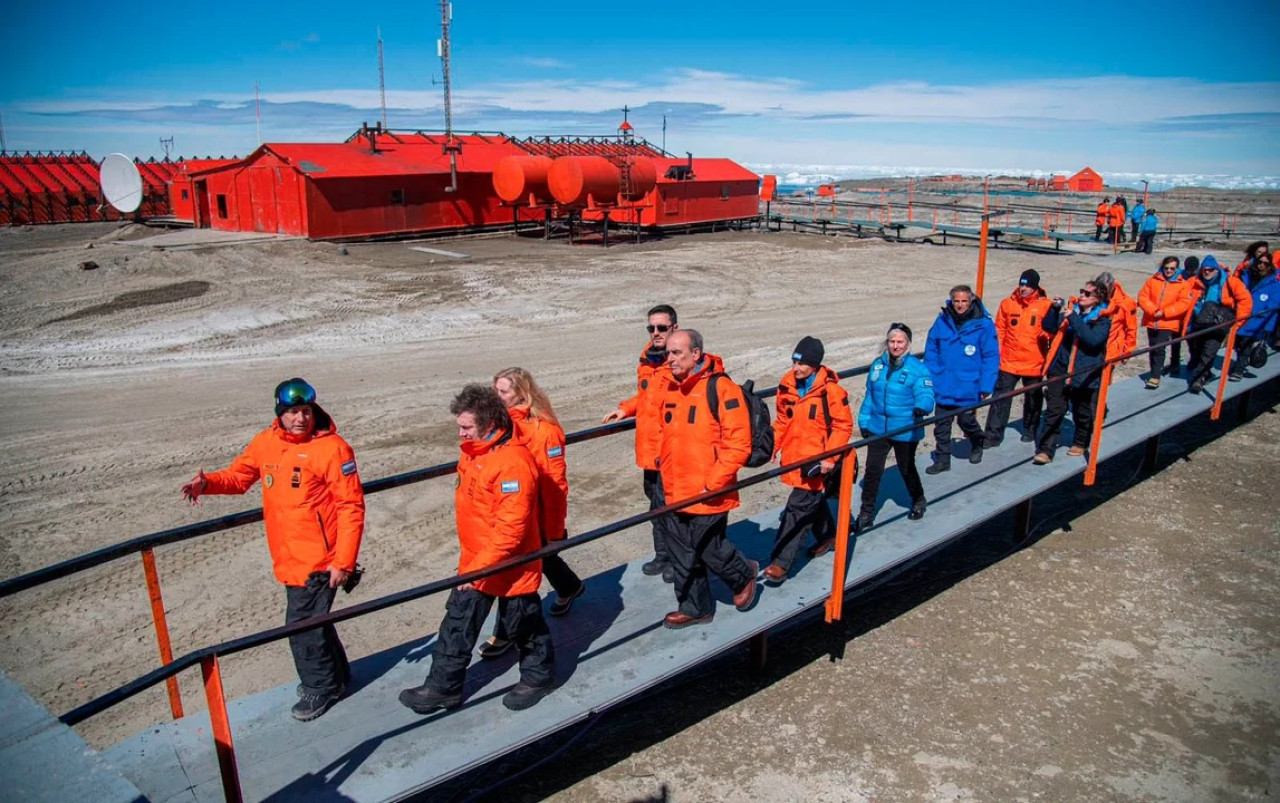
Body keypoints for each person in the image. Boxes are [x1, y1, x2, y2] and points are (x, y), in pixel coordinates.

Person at [180, 378, 365, 721]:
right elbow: (239, 477)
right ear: (279, 414)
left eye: (306, 411)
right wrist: (207, 484)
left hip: (319, 562)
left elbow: (351, 507)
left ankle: (319, 688)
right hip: (287, 557)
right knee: (313, 622)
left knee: (301, 626)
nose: (300, 419)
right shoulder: (266, 443)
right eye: (293, 412)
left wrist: (344, 562)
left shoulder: (333, 449)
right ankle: (336, 678)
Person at [399, 385, 555, 714]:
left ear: (489, 424)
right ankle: (442, 688)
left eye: (466, 426)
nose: (460, 432)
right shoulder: (474, 452)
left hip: (512, 565)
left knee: (522, 625)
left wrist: (478, 567)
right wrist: (474, 564)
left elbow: (511, 528)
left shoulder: (512, 463)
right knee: (457, 623)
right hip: (476, 560)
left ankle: (538, 677)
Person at [477, 367, 584, 661]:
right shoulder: (500, 427)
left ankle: (506, 633)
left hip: (533, 515)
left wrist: (554, 528)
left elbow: (555, 485)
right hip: (511, 511)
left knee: (513, 572)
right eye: (495, 391)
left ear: (522, 394)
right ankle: (570, 586)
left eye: (503, 392)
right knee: (540, 559)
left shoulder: (543, 431)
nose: (496, 397)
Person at [657, 329, 759, 628]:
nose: (670, 359)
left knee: (709, 548)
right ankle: (695, 607)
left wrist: (714, 482)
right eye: (669, 353)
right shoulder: (672, 387)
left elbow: (739, 443)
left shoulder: (721, 388)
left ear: (696, 353)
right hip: (674, 486)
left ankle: (742, 575)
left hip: (706, 487)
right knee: (680, 552)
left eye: (677, 353)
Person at [763, 336, 853, 584]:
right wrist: (773, 446)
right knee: (810, 500)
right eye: (794, 362)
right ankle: (828, 536)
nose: (796, 368)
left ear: (815, 364)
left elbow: (842, 426)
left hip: (817, 460)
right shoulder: (787, 385)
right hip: (794, 455)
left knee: (797, 508)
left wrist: (830, 457)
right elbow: (783, 420)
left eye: (802, 364)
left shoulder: (831, 391)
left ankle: (780, 563)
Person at [603, 304, 679, 583]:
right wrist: (625, 409)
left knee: (671, 508)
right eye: (651, 328)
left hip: (670, 451)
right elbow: (645, 396)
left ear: (674, 328)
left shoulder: (680, 361)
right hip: (649, 451)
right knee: (655, 507)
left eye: (662, 327)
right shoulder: (647, 361)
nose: (656, 332)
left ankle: (677, 557)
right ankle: (662, 554)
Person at [856, 323, 934, 531]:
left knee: (906, 467)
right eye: (892, 341)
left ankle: (918, 499)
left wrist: (921, 407)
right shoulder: (878, 366)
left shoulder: (917, 369)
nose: (895, 346)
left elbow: (926, 394)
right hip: (878, 427)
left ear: (908, 344)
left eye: (900, 342)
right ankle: (867, 512)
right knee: (872, 471)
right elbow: (869, 397)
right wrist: (864, 422)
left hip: (905, 428)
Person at [1033, 282, 1112, 464]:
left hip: (1084, 372)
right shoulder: (1071, 312)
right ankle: (1046, 449)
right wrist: (1054, 310)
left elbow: (1092, 340)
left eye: (1087, 293)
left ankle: (1080, 441)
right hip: (1060, 369)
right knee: (1054, 410)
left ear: (1097, 298)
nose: (1081, 295)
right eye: (1081, 291)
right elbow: (1049, 328)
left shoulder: (1102, 320)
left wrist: (1074, 318)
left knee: (1082, 411)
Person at [924, 284, 999, 473]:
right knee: (941, 425)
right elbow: (931, 348)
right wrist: (932, 373)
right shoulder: (942, 321)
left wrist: (986, 385)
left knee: (966, 421)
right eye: (956, 301)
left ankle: (977, 441)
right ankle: (942, 460)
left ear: (971, 301)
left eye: (964, 301)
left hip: (968, 384)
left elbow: (991, 356)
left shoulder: (983, 324)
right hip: (944, 383)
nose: (960, 305)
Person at [983, 269, 1052, 448]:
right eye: (1021, 284)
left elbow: (1051, 330)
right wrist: (997, 354)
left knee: (1032, 399)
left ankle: (1030, 429)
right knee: (1000, 399)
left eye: (1027, 285)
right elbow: (1000, 329)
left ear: (1035, 286)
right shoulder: (1008, 304)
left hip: (1034, 361)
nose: (1023, 288)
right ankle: (992, 435)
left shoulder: (1045, 305)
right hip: (1009, 361)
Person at [1186, 255, 1253, 394]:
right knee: (1196, 350)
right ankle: (1205, 372)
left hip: (1217, 325)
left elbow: (1245, 301)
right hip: (1198, 323)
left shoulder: (1231, 282)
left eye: (1210, 269)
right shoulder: (1195, 282)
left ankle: (1199, 378)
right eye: (1204, 270)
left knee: (1208, 352)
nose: (1207, 272)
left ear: (1216, 269)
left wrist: (1238, 323)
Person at [1137, 256, 1198, 389]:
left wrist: (1164, 312)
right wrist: (1153, 310)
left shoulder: (1182, 284)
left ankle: (1155, 376)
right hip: (1152, 319)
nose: (1169, 271)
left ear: (1177, 269)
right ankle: (1155, 371)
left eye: (1172, 268)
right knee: (1152, 347)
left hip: (1168, 321)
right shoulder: (1153, 280)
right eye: (1166, 268)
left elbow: (1184, 303)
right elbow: (1143, 296)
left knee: (1160, 347)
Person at [1231, 254, 1279, 380]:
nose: (1261, 265)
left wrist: (1266, 326)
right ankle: (1241, 362)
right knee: (1238, 343)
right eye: (1259, 262)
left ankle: (1238, 370)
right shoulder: (1247, 276)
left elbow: (1273, 304)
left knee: (1246, 342)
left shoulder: (1274, 283)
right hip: (1241, 315)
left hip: (1257, 319)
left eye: (1265, 263)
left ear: (1270, 266)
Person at [1094, 272, 1138, 373]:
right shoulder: (1094, 297)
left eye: (1105, 291)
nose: (1103, 293)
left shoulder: (1127, 303)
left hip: (1111, 347)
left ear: (1113, 286)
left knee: (1104, 381)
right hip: (1094, 346)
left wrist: (1127, 351)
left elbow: (1131, 329)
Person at [1169, 255, 1201, 373]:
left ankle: (1194, 361)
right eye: (1189, 270)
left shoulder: (1199, 279)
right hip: (1178, 315)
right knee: (1175, 341)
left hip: (1192, 316)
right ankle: (1174, 364)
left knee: (1192, 341)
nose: (1191, 272)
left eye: (1193, 270)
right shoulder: (1179, 276)